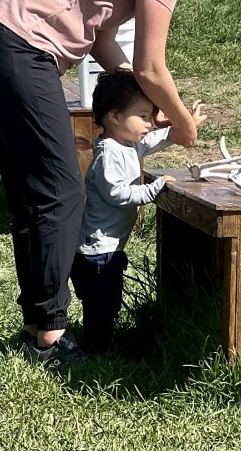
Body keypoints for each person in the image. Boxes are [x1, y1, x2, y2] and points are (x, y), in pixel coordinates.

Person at [0, 0, 237, 365]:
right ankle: (49, 337)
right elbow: (150, 66)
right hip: (20, 49)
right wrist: (184, 120)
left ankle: (37, 326)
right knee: (61, 193)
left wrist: (150, 106)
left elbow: (107, 46)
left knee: (33, 193)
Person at [73, 70, 205, 353]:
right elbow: (118, 194)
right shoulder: (109, 153)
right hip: (96, 251)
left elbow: (158, 139)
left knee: (107, 301)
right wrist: (154, 189)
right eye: (144, 116)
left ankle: (101, 343)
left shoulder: (128, 144)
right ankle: (97, 351)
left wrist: (184, 124)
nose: (150, 123)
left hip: (108, 247)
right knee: (101, 303)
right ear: (116, 117)